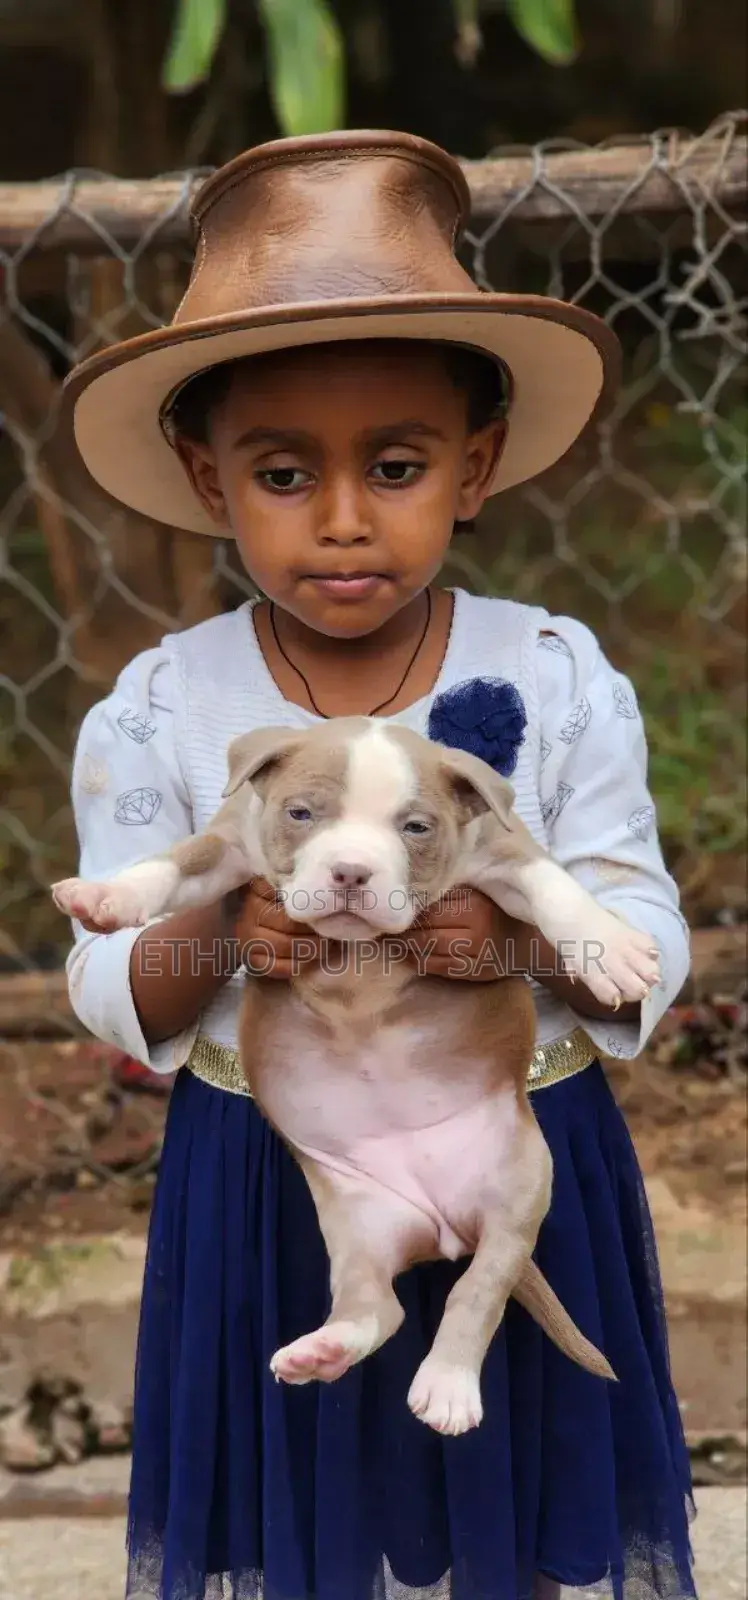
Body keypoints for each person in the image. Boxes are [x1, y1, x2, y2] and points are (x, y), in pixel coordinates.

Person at [60, 131, 695, 1600]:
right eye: (284, 472)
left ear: (473, 469)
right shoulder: (167, 702)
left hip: (520, 1143)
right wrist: (222, 932)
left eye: (395, 465)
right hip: (270, 1172)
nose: (343, 516)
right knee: (303, 1517)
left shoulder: (550, 670)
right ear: (204, 474)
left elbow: (633, 912)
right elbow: (108, 969)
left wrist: (514, 940)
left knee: (517, 1500)